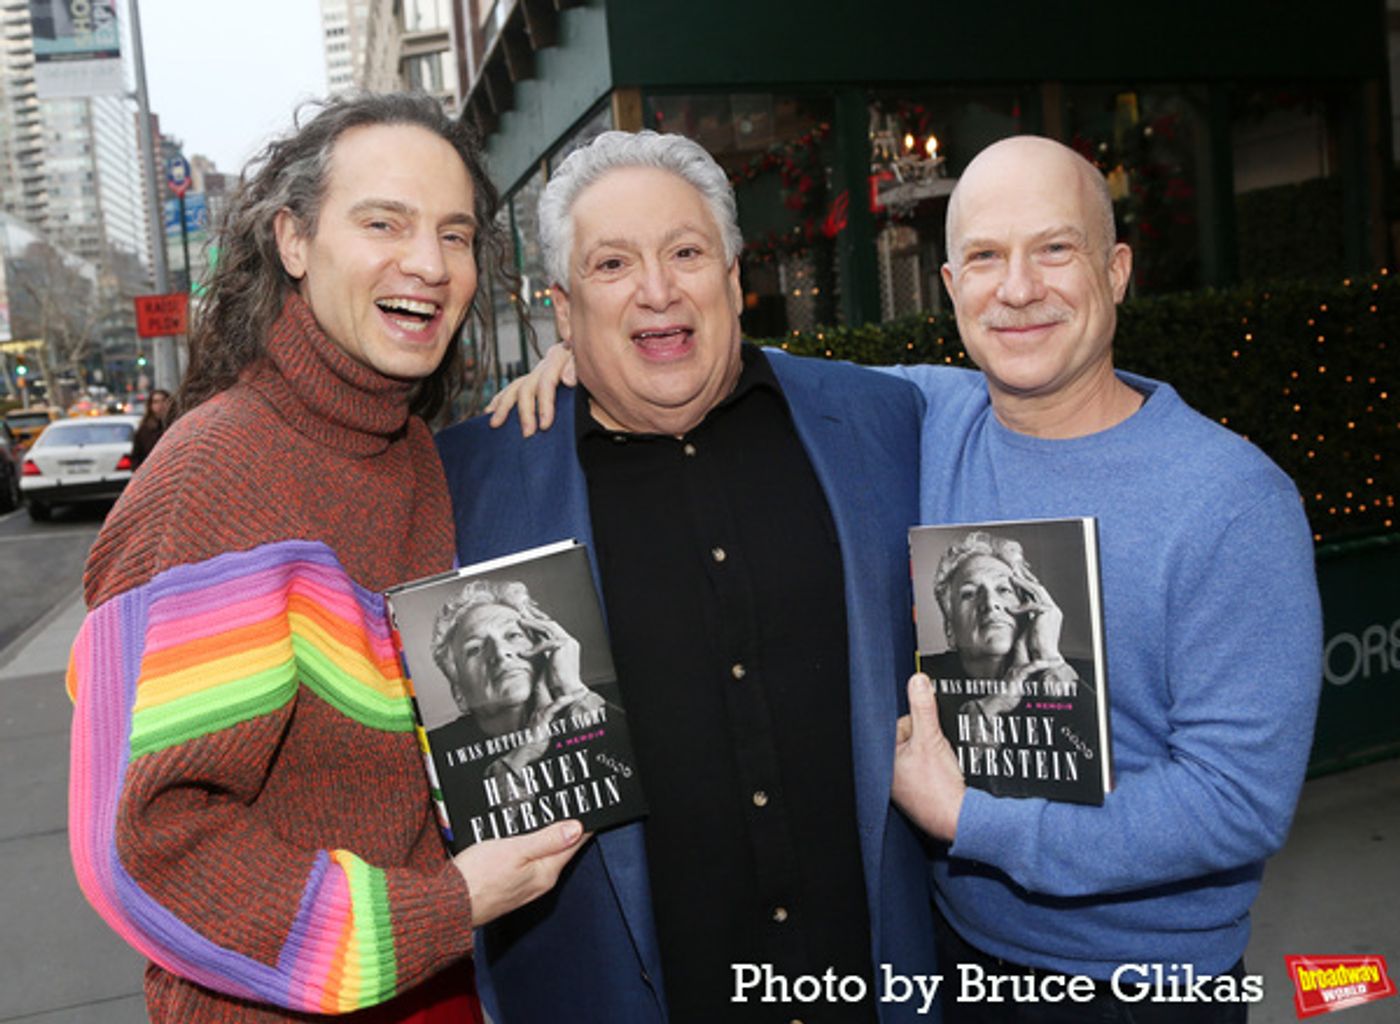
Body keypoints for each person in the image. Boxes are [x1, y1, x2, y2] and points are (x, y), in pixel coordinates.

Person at [492, 134, 1323, 1022]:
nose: (1018, 289)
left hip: (1143, 988)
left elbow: (1237, 805)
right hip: (951, 964)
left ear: (1116, 271)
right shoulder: (926, 414)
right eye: (985, 257)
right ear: (952, 283)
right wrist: (584, 348)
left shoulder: (1231, 498)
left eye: (1055, 249)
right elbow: (703, 354)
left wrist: (974, 822)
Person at [66, 92, 584, 1024]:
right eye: (383, 222)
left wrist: (582, 380)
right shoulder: (214, 475)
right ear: (293, 243)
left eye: (456, 235)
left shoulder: (420, 456)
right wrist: (444, 909)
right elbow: (142, 849)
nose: (427, 264)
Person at [435, 130, 937, 1023]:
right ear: (562, 307)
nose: (657, 289)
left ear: (734, 275)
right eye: (612, 264)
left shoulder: (884, 420)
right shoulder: (471, 487)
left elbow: (1041, 378)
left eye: (685, 252)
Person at [924, 530, 1092, 761]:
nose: (991, 603)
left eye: (1004, 590)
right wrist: (995, 703)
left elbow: (1094, 764)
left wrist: (1049, 658)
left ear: (1030, 606)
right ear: (950, 629)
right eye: (969, 594)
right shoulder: (923, 679)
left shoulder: (1082, 679)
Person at [430, 578, 605, 776]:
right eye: (475, 649)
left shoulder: (603, 703)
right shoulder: (438, 753)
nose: (500, 653)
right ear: (459, 693)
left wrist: (573, 691)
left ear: (545, 648)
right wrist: (521, 755)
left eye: (513, 635)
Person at [130, 388, 170, 468]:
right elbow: (136, 457)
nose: (160, 405)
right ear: (150, 406)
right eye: (156, 402)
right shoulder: (144, 430)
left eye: (163, 401)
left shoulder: (176, 424)